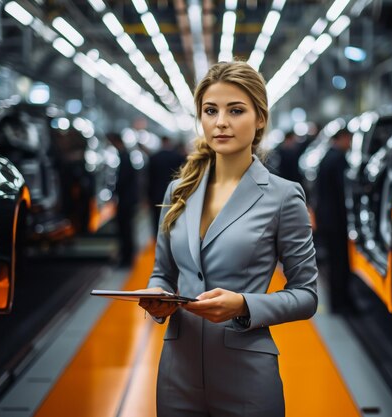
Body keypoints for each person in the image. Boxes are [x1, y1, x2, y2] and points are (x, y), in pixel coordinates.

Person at [138, 61, 318, 417]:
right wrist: (157, 296)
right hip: (178, 373)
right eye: (210, 110)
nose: (220, 122)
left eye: (235, 110)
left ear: (260, 118)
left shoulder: (283, 196)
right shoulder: (178, 191)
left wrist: (244, 306)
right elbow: (163, 271)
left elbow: (306, 296)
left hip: (247, 377)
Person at [314, 128, 353, 313]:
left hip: (326, 218)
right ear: (343, 138)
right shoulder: (338, 158)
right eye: (349, 139)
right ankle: (341, 303)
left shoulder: (327, 156)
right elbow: (342, 191)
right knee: (340, 262)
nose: (350, 144)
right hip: (336, 219)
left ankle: (337, 302)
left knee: (334, 261)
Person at [108, 132, 139, 266]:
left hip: (125, 200)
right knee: (127, 229)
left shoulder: (124, 157)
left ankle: (127, 258)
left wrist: (114, 191)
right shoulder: (126, 156)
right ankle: (128, 256)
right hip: (128, 199)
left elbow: (122, 180)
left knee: (125, 229)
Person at [147, 135, 186, 237]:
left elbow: (149, 179)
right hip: (175, 194)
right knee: (174, 218)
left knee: (157, 219)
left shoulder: (153, 158)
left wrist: (147, 196)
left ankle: (158, 239)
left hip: (156, 194)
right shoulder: (178, 157)